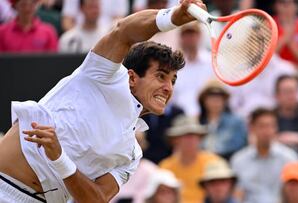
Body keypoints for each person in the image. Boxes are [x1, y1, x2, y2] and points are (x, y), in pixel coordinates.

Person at [0, 1, 206, 202]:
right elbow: (123, 31)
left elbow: (96, 199)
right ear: (132, 77)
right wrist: (172, 17)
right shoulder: (104, 75)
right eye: (161, 76)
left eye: (173, 80)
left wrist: (60, 159)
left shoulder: (132, 154)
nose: (168, 87)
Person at [230, 108, 298, 203]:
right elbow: (237, 194)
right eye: (262, 126)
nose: (267, 131)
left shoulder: (290, 158)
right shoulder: (239, 160)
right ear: (251, 128)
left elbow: (296, 194)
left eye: (271, 126)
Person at [160, 115, 221, 203]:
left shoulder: (213, 162)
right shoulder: (165, 166)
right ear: (175, 140)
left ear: (200, 139)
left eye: (193, 135)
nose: (190, 140)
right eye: (185, 136)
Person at [171, 21, 215, 116]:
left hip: (206, 116)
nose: (189, 38)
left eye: (192, 34)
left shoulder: (211, 61)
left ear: (199, 36)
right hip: (179, 118)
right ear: (181, 38)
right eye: (186, 34)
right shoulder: (175, 65)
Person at [198, 80, 247, 160]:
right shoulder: (197, 123)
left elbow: (240, 146)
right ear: (204, 101)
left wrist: (212, 153)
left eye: (219, 98)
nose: (215, 101)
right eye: (211, 97)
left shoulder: (236, 122)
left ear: (225, 101)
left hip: (229, 164)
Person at [61, 0, 128, 32]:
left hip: (108, 36)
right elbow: (67, 22)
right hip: (79, 37)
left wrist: (106, 36)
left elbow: (119, 21)